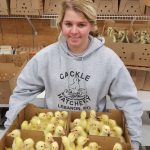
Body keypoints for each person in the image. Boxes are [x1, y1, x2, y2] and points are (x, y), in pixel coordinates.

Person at [4, 0, 142, 149]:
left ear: (92, 25)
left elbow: (128, 101)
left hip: (92, 137)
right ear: (60, 25)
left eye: (81, 25)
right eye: (68, 24)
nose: (74, 31)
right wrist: (9, 128)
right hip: (53, 135)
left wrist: (134, 141)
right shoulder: (46, 57)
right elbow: (22, 92)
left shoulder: (108, 60)